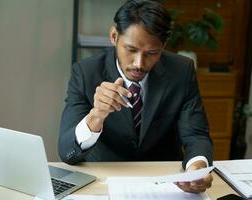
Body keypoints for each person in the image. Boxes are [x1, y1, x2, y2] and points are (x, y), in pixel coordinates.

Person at [58, 0, 213, 193]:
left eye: (152, 53)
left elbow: (195, 135)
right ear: (114, 36)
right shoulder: (85, 73)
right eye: (131, 50)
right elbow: (66, 152)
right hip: (104, 182)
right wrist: (95, 116)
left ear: (163, 46)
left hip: (165, 184)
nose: (139, 63)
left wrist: (196, 169)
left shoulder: (181, 71)